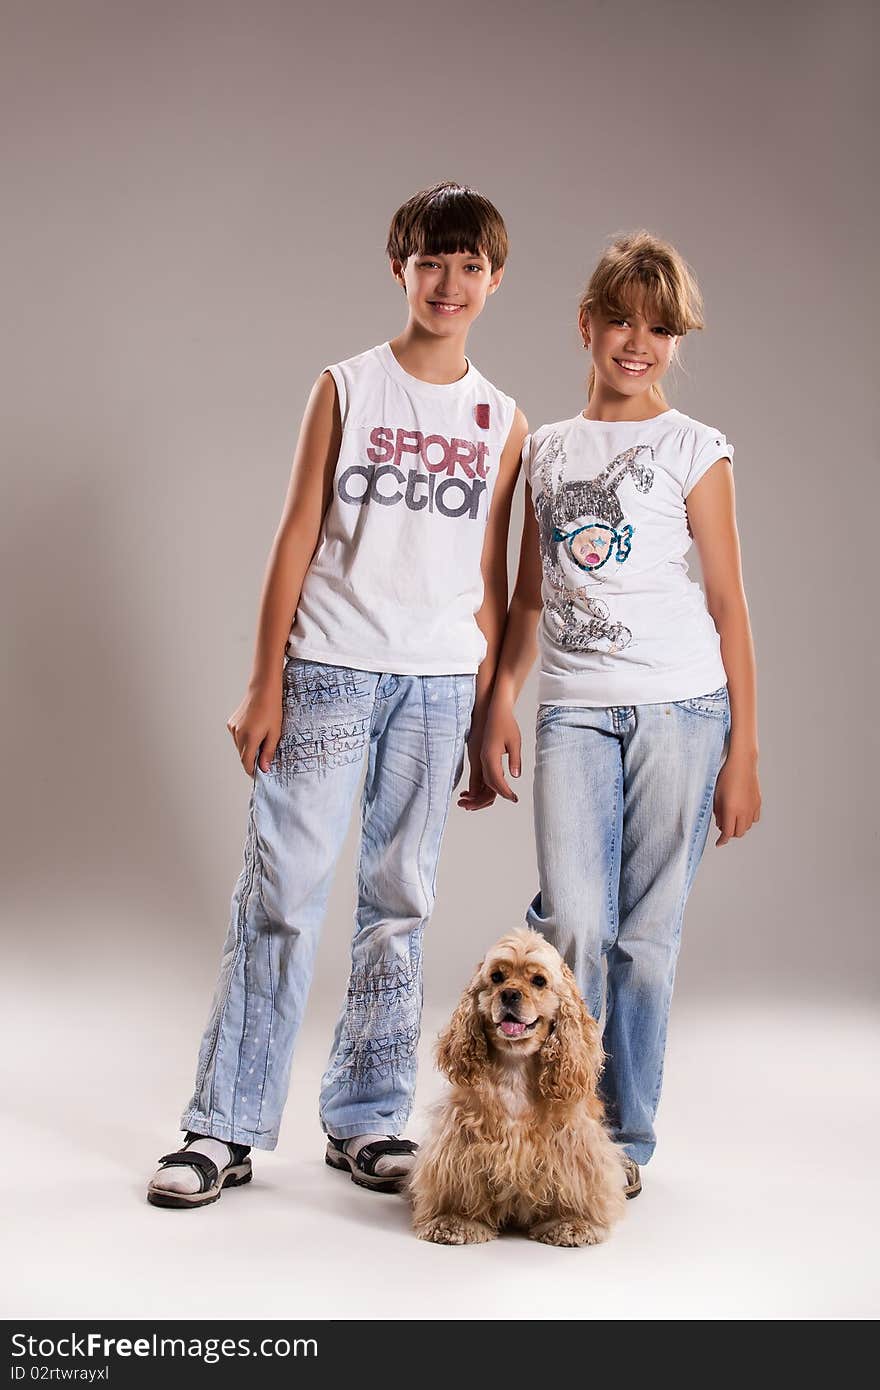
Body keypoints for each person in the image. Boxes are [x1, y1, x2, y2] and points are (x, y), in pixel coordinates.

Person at [147, 181, 527, 1208]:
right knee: (278, 896)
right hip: (327, 669)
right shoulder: (346, 386)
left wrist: (494, 704)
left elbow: (491, 578)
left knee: (399, 904)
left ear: (494, 279)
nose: (448, 283)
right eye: (430, 261)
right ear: (398, 266)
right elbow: (296, 534)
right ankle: (220, 1124)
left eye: (469, 266)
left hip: (439, 684)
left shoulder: (503, 419)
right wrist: (263, 678)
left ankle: (366, 1115)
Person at [480, 231, 761, 1200]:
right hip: (576, 715)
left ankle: (621, 1138)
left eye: (658, 328)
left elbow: (727, 605)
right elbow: (525, 598)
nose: (636, 343)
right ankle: (557, 1110)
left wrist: (743, 752)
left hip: (684, 712)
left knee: (646, 938)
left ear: (673, 339)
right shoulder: (549, 450)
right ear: (586, 325)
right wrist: (497, 704)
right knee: (573, 923)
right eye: (620, 321)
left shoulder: (694, 448)